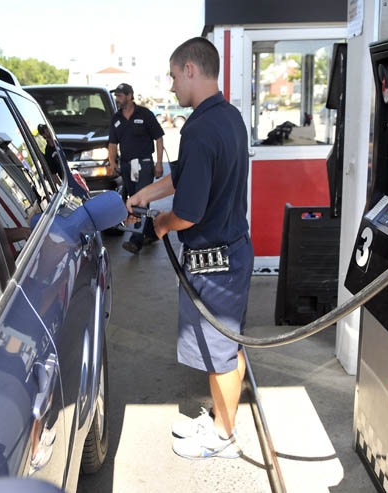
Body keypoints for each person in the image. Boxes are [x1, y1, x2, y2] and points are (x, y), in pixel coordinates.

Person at [125, 37, 253, 459]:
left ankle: (223, 438)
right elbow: (185, 174)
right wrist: (145, 193)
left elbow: (189, 212)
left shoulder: (197, 129)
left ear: (191, 70)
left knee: (221, 353)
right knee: (225, 347)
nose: (172, 85)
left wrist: (161, 223)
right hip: (232, 249)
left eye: (174, 75)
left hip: (215, 261)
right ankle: (221, 419)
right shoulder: (229, 116)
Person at [108, 82, 165, 254]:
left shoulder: (145, 114)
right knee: (135, 199)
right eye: (116, 96)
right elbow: (112, 143)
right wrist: (112, 163)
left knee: (141, 200)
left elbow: (159, 138)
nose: (117, 99)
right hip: (126, 166)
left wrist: (159, 163)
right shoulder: (116, 119)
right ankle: (150, 233)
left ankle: (136, 240)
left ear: (130, 96)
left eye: (120, 95)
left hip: (145, 164)